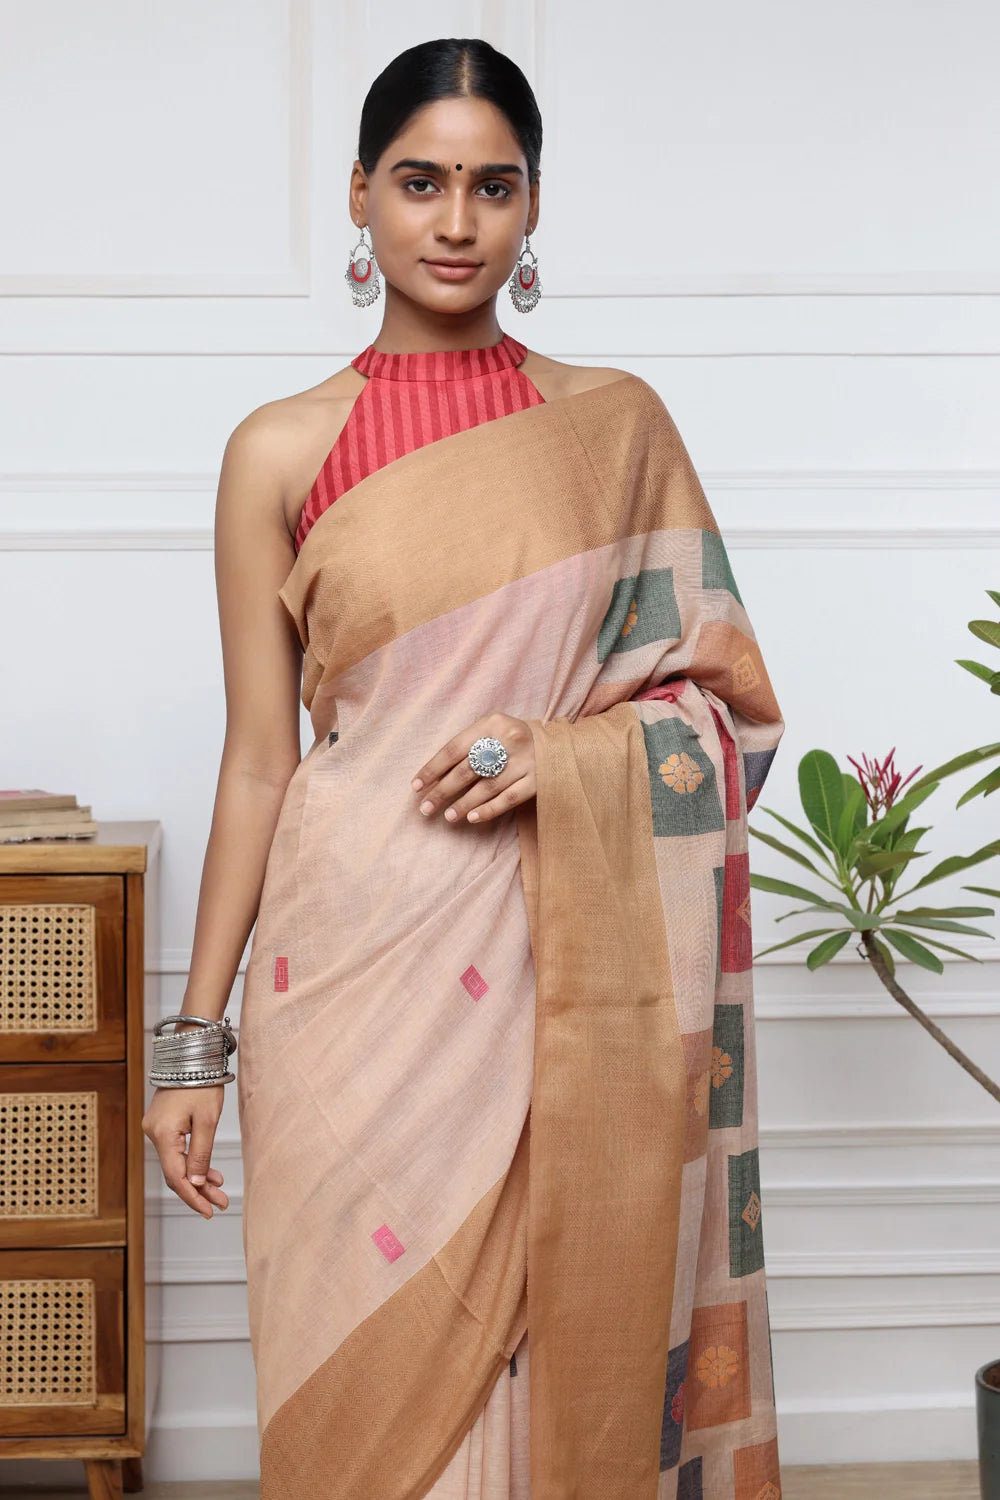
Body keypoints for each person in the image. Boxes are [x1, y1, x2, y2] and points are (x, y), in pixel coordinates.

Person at [141, 35, 786, 1500]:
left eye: (492, 187)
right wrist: (194, 1047)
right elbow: (258, 764)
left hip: (558, 968)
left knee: (545, 1354)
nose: (455, 221)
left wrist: (562, 755)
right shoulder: (277, 450)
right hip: (342, 973)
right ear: (359, 196)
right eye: (419, 182)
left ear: (534, 205)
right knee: (354, 1389)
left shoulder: (612, 429)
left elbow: (728, 709)